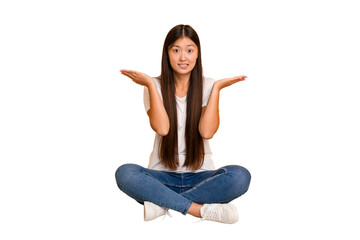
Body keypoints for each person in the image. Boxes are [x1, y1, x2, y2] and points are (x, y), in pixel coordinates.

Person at [115, 24, 251, 224]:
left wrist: (217, 89)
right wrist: (151, 85)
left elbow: (206, 132)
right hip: (161, 178)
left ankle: (161, 204)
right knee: (125, 173)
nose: (183, 57)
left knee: (240, 176)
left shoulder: (208, 85)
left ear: (197, 54)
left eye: (189, 50)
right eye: (176, 50)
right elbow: (162, 129)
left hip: (201, 177)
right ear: (167, 54)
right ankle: (197, 210)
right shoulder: (153, 87)